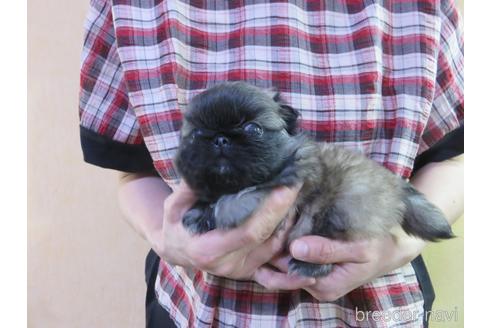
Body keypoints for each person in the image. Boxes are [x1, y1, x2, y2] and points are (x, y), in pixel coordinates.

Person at [79, 0, 464, 327]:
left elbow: (456, 163)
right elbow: (133, 171)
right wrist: (166, 238)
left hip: (373, 309)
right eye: (202, 135)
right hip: (194, 308)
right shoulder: (127, 8)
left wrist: (396, 246)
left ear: (288, 128)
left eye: (252, 130)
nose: (223, 144)